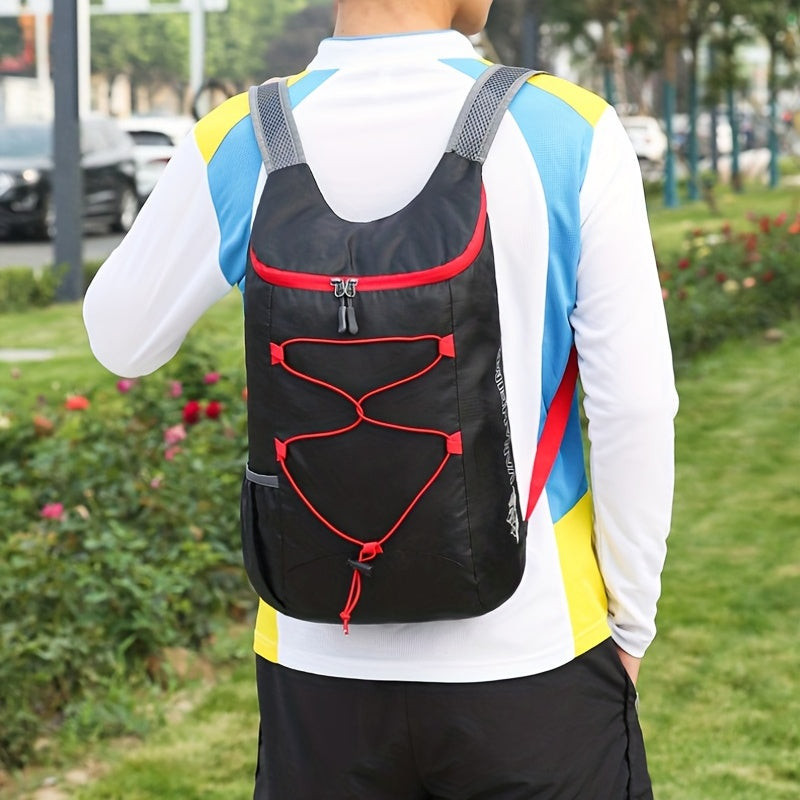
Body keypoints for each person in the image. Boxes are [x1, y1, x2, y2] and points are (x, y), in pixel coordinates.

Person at [83, 0, 678, 797]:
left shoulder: (245, 135)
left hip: (315, 658)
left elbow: (120, 338)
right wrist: (630, 625)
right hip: (533, 648)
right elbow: (635, 407)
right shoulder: (570, 128)